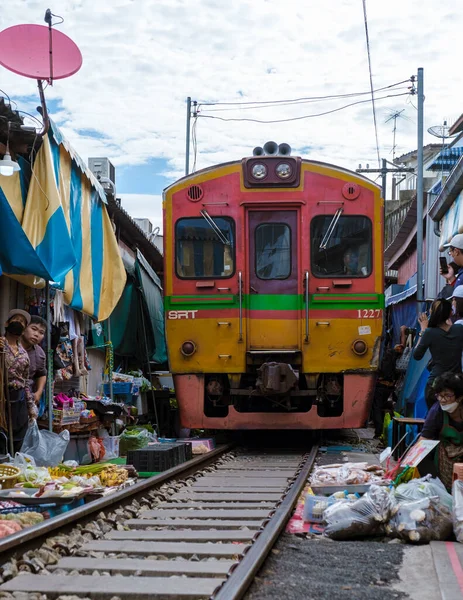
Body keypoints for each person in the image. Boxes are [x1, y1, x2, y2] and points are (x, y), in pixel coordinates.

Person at [413, 299, 463, 410]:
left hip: (436, 383)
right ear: (450, 313)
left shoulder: (429, 332)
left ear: (432, 313)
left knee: (435, 418)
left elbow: (417, 355)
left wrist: (423, 331)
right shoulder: (459, 329)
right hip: (457, 383)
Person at [420, 372, 463, 490]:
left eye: (447, 396)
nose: (442, 400)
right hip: (444, 459)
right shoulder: (436, 412)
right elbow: (423, 443)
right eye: (439, 395)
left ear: (460, 397)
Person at [0, 310, 36, 453]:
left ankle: (13, 470)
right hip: (2, 398)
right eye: (16, 320)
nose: (19, 323)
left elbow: (26, 381)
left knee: (17, 439)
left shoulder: (24, 354)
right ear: (7, 323)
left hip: (19, 399)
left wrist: (31, 406)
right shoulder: (1, 345)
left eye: (22, 322)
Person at [21, 316, 47, 410]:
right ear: (24, 328)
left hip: (25, 399)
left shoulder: (40, 354)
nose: (36, 334)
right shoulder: (8, 344)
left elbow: (42, 373)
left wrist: (39, 392)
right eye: (34, 329)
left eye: (41, 333)